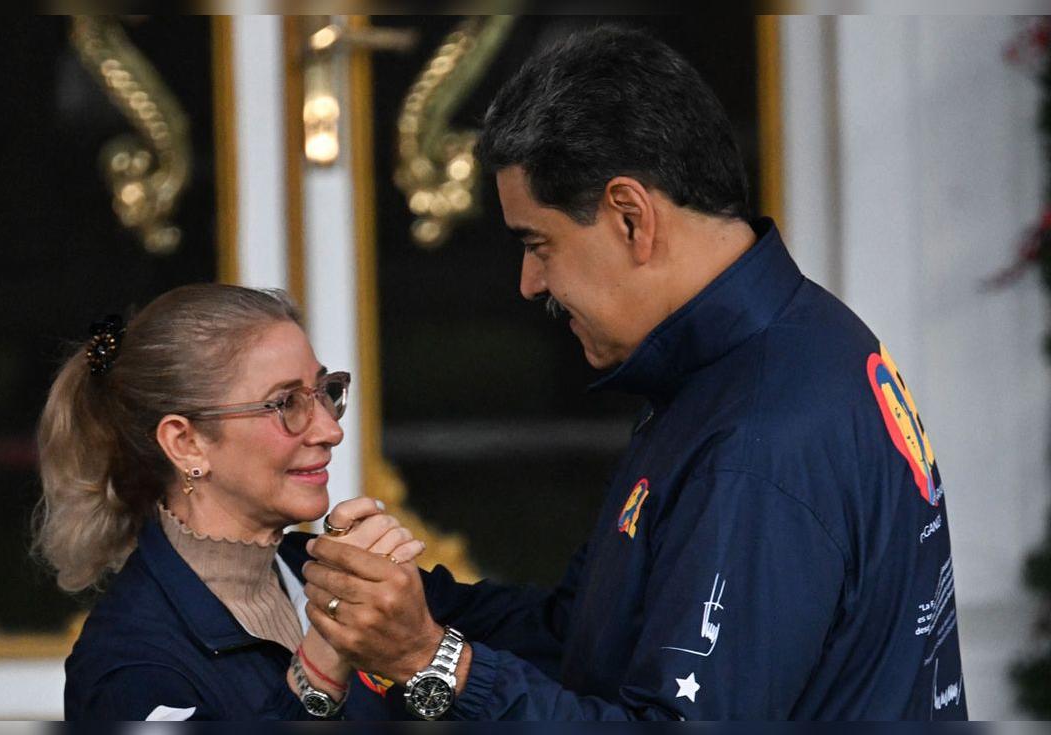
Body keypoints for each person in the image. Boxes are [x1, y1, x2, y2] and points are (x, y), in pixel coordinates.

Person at [301, 27, 968, 720]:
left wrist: (432, 661)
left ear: (630, 217)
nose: (530, 282)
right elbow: (586, 636)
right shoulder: (777, 348)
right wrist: (395, 598)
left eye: (539, 243)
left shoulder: (756, 442)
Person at [33, 283, 423, 720]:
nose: (330, 431)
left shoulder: (312, 571)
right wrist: (322, 660)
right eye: (285, 403)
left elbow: (509, 631)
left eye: (322, 393)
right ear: (187, 444)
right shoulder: (130, 666)